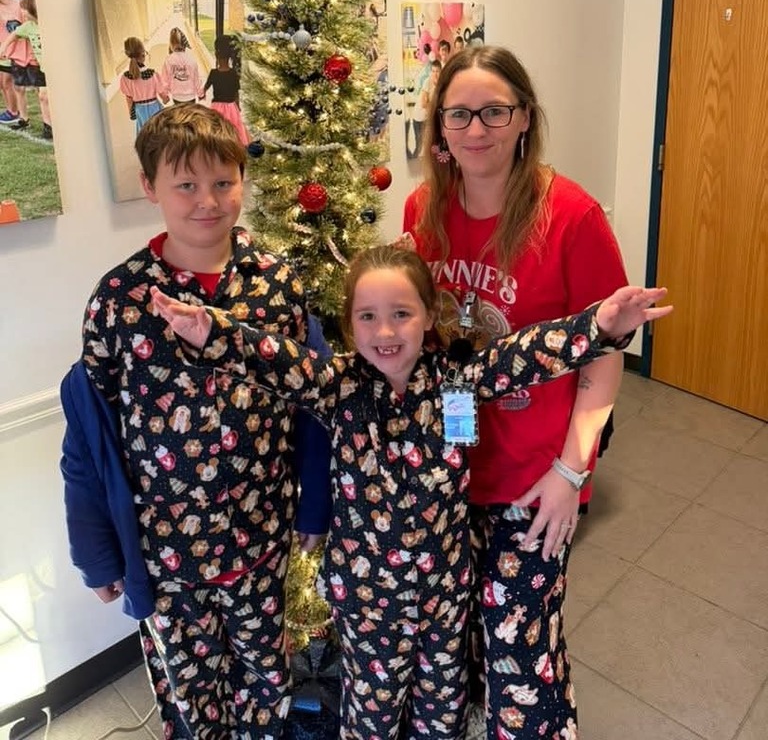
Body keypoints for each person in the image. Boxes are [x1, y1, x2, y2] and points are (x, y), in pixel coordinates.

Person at [150, 243, 669, 740]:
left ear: (427, 315)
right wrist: (212, 331)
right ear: (350, 325)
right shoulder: (337, 386)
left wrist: (598, 326)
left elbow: (523, 355)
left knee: (440, 720)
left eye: (402, 313)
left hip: (444, 602)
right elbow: (277, 362)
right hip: (368, 608)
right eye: (367, 317)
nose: (386, 331)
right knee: (372, 721)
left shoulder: (457, 383)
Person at [60, 104, 332, 739]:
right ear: (150, 186)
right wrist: (95, 551)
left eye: (224, 182)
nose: (208, 201)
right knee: (192, 702)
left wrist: (314, 512)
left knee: (267, 688)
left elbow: (315, 409)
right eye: (186, 185)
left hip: (263, 546)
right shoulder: (118, 301)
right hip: (165, 559)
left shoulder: (277, 287)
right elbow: (88, 439)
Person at [402, 44, 630, 738]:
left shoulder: (572, 216)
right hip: (456, 459)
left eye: (495, 112)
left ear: (525, 117)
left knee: (521, 641)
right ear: (439, 127)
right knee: (466, 625)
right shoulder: (422, 209)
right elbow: (425, 339)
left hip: (539, 475)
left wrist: (571, 472)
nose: (477, 130)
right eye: (460, 114)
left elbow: (605, 357)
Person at [0, 0, 52, 138]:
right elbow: (14, 35)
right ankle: (48, 128)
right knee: (43, 97)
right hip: (44, 68)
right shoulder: (28, 27)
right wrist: (3, 47)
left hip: (54, 69)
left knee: (47, 96)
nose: (21, 13)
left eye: (24, 10)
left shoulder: (48, 25)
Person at [203, 34, 249, 145]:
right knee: (234, 132)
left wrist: (202, 94)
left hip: (216, 108)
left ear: (216, 55)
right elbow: (236, 93)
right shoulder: (233, 73)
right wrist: (238, 107)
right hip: (231, 107)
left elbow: (205, 88)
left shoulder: (213, 73)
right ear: (230, 56)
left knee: (216, 133)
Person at [119, 37, 167, 134]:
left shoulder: (125, 78)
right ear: (143, 54)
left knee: (144, 133)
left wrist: (131, 113)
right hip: (154, 108)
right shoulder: (153, 74)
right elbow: (162, 94)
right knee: (157, 131)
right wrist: (166, 99)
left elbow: (129, 99)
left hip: (139, 109)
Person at [160, 26, 204, 106]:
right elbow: (196, 78)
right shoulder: (191, 58)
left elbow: (164, 80)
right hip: (190, 97)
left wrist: (165, 95)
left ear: (171, 43)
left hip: (176, 97)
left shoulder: (168, 60)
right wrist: (200, 94)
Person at [0, 0, 22, 124]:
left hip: (15, 51)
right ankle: (10, 109)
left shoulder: (19, 6)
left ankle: (14, 112)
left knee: (8, 82)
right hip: (2, 50)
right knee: (3, 82)